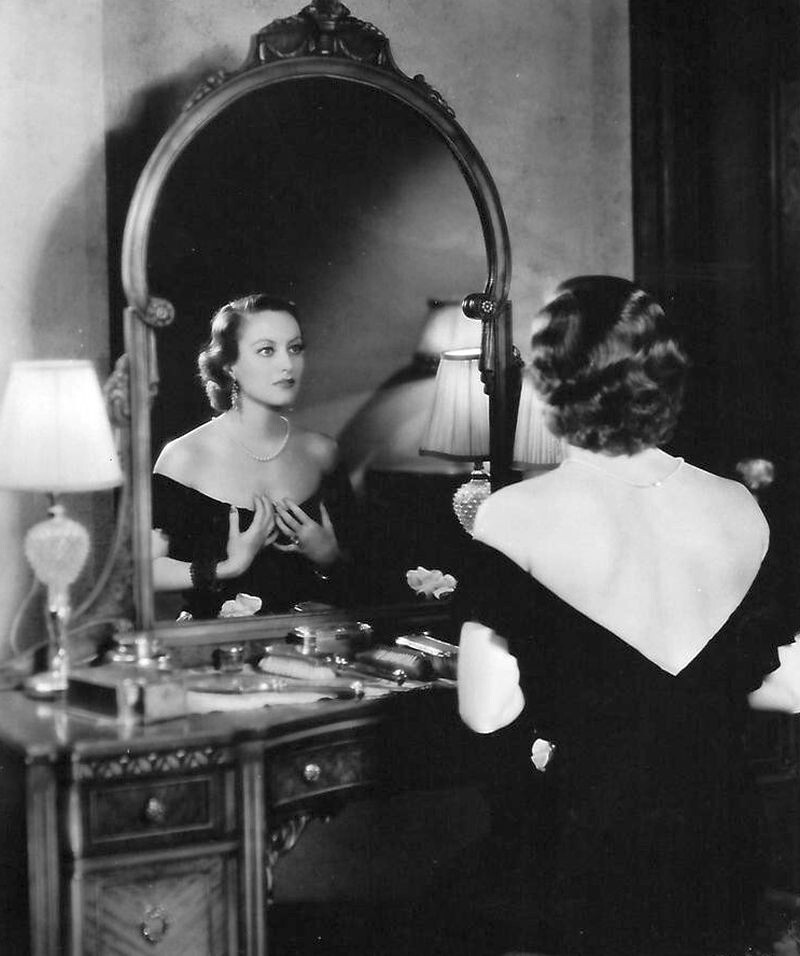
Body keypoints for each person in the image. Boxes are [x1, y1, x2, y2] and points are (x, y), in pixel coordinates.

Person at [455, 276, 800, 955]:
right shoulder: (739, 504)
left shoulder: (511, 514)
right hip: (723, 836)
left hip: (589, 841)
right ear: (666, 379)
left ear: (548, 385)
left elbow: (486, 712)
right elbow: (788, 686)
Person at [152, 293, 355, 618]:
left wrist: (328, 556)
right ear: (229, 365)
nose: (287, 364)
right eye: (266, 350)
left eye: (295, 348)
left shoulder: (322, 453)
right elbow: (146, 571)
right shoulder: (184, 457)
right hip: (215, 643)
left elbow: (363, 575)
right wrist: (229, 566)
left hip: (309, 641)